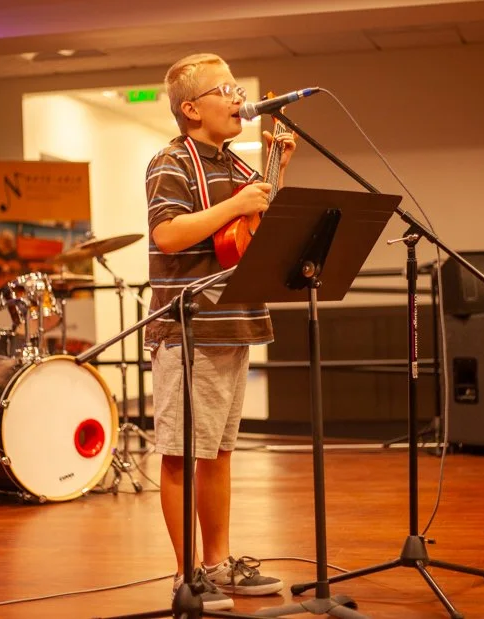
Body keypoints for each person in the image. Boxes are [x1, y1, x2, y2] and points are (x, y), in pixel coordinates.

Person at [145, 53, 297, 610]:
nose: (237, 98)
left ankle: (219, 562)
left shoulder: (237, 166)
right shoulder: (170, 162)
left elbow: (257, 231)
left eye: (237, 88)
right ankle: (189, 575)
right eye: (224, 89)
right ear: (191, 108)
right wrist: (239, 202)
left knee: (220, 452)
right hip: (188, 329)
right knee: (184, 453)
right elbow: (168, 234)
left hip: (234, 323)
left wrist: (277, 171)